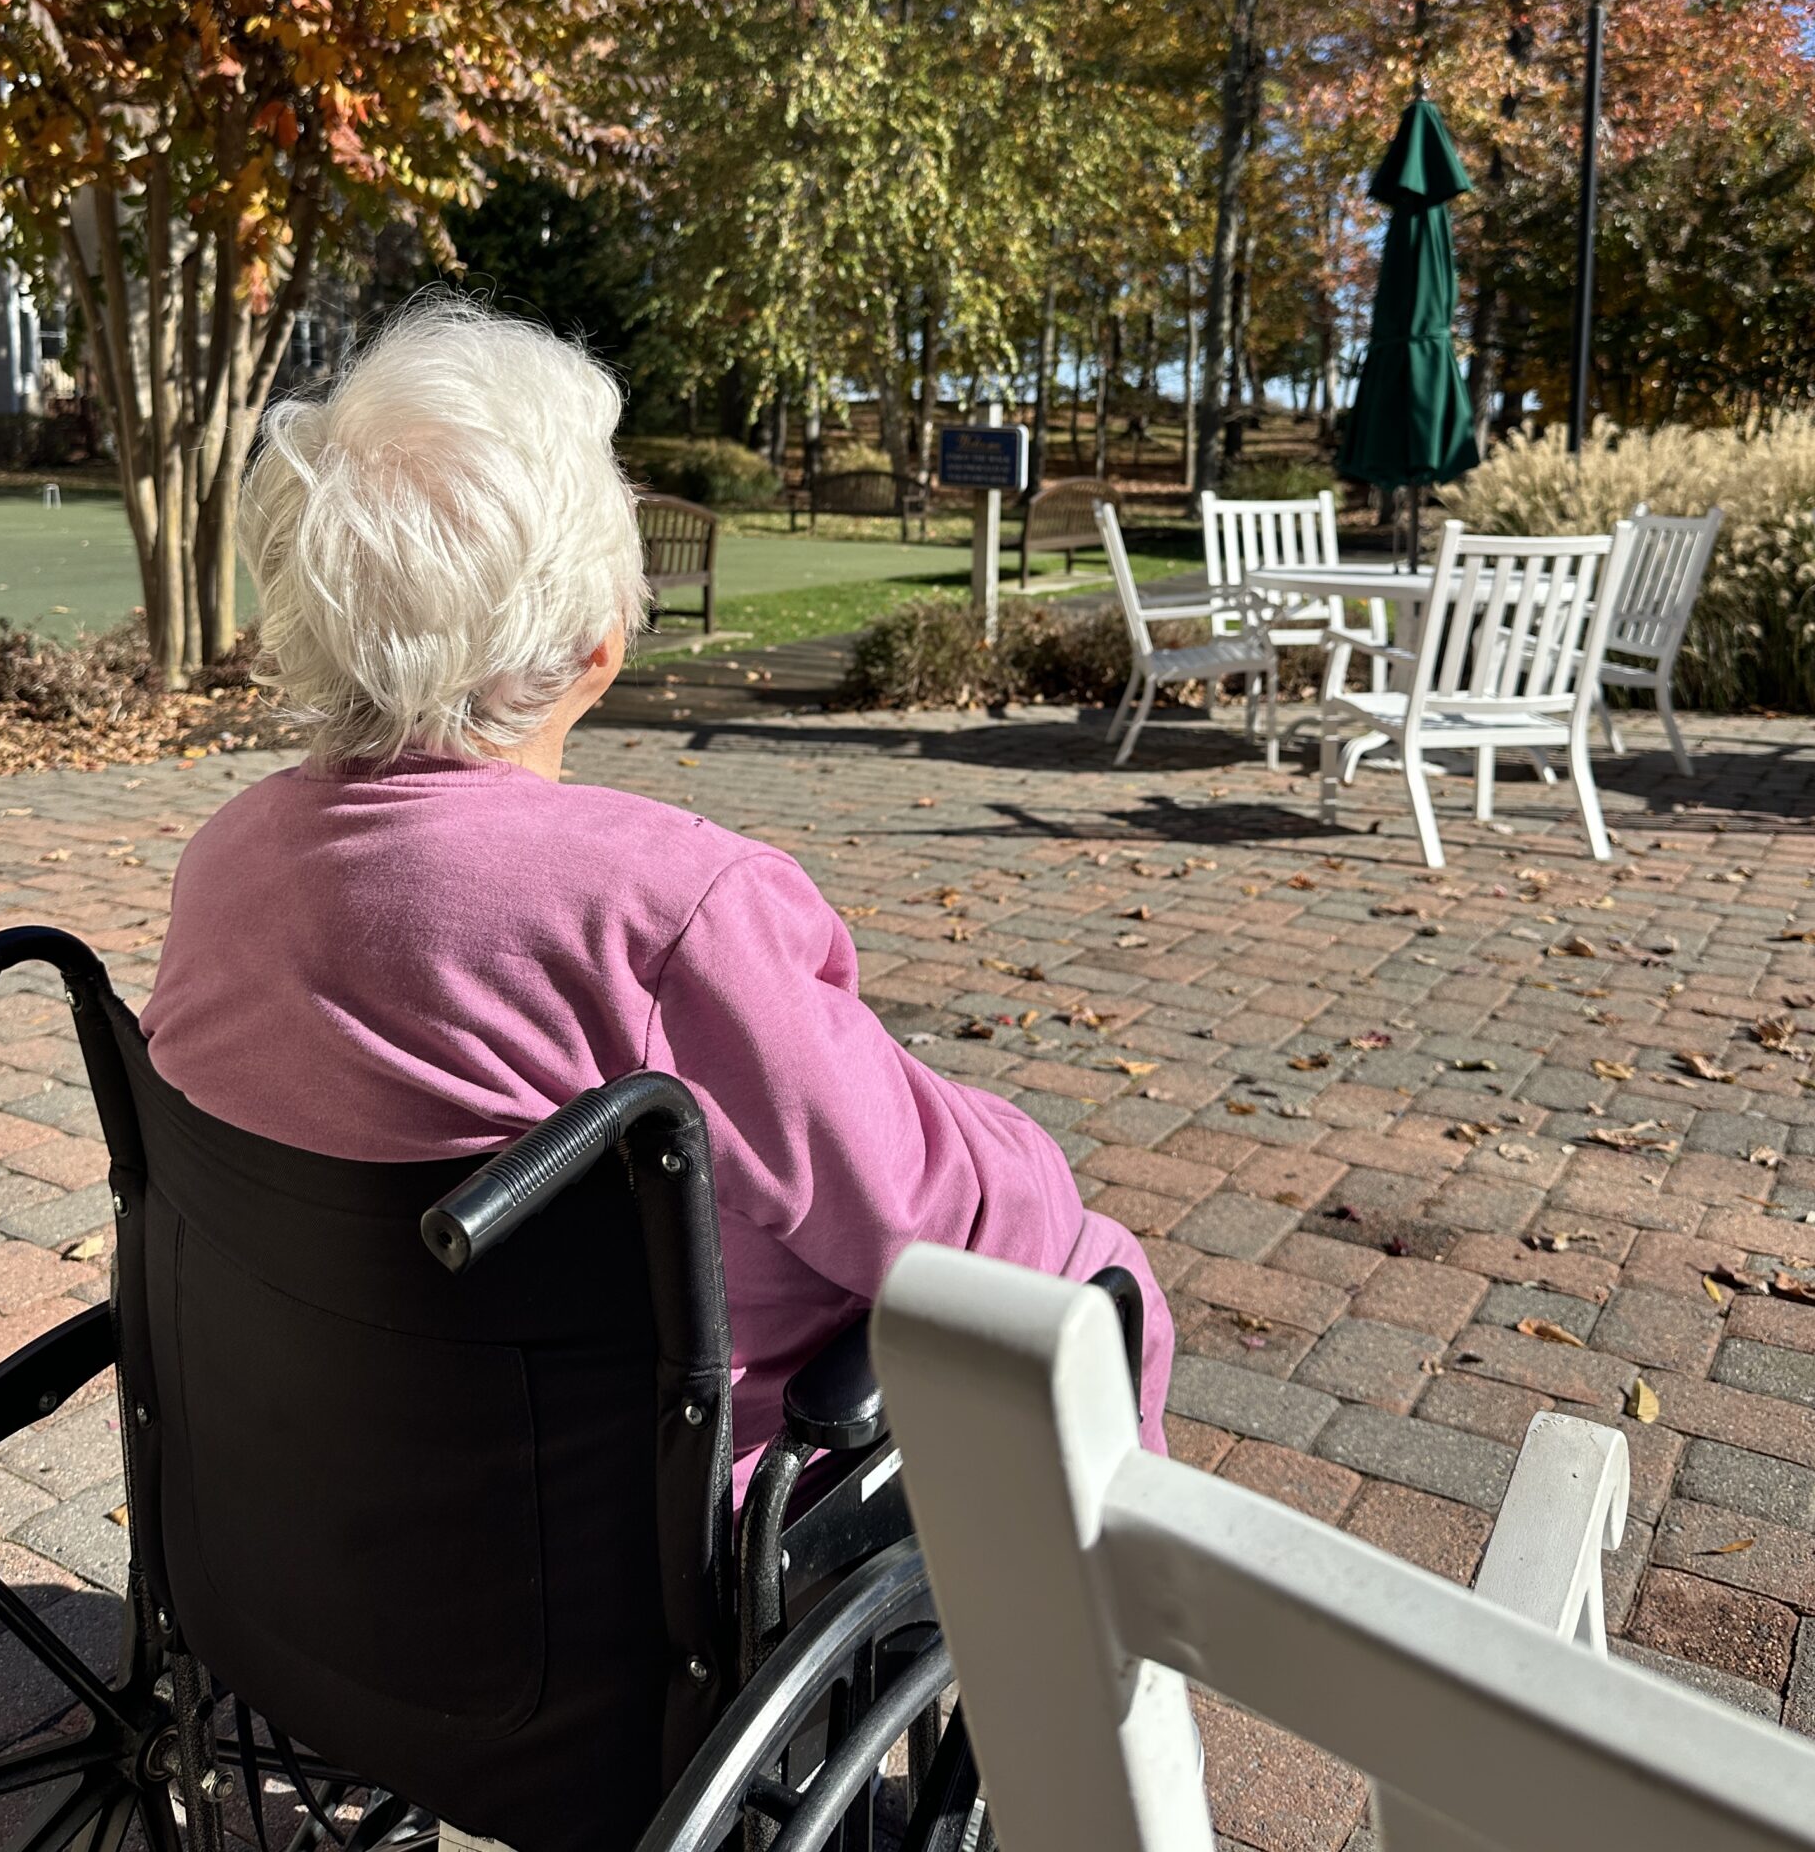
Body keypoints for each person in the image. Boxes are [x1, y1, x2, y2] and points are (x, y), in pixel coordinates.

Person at [143, 298, 1172, 1489]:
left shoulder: (223, 857)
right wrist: (1026, 1153)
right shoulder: (670, 909)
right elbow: (931, 1219)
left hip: (306, 1495)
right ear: (598, 644)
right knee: (1096, 1271)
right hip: (619, 1566)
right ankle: (1115, 1662)